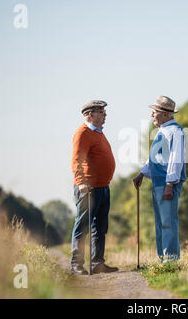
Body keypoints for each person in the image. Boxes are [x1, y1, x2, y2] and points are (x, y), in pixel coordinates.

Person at [133, 96, 186, 263]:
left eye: (154, 112)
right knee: (160, 223)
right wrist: (142, 173)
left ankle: (170, 260)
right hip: (158, 183)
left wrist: (170, 184)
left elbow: (175, 159)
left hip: (166, 184)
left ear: (164, 114)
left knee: (167, 222)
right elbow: (155, 158)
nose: (151, 115)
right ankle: (163, 258)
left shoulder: (176, 131)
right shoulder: (162, 132)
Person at [70, 100, 118, 275]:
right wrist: (81, 181)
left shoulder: (98, 133)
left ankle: (97, 263)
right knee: (83, 226)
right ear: (89, 114)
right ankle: (77, 264)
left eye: (104, 112)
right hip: (88, 188)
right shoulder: (83, 133)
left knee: (100, 227)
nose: (105, 115)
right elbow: (77, 159)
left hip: (102, 187)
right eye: (101, 112)